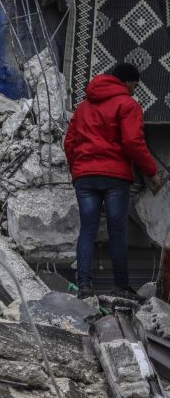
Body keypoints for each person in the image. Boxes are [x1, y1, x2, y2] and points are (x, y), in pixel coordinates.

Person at [64, 62, 165, 299]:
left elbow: (69, 143)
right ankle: (121, 286)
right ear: (127, 82)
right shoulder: (128, 105)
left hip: (85, 177)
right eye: (134, 86)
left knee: (87, 230)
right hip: (115, 177)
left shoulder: (83, 107)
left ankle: (84, 287)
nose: (134, 91)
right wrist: (152, 172)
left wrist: (77, 170)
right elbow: (133, 142)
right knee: (117, 231)